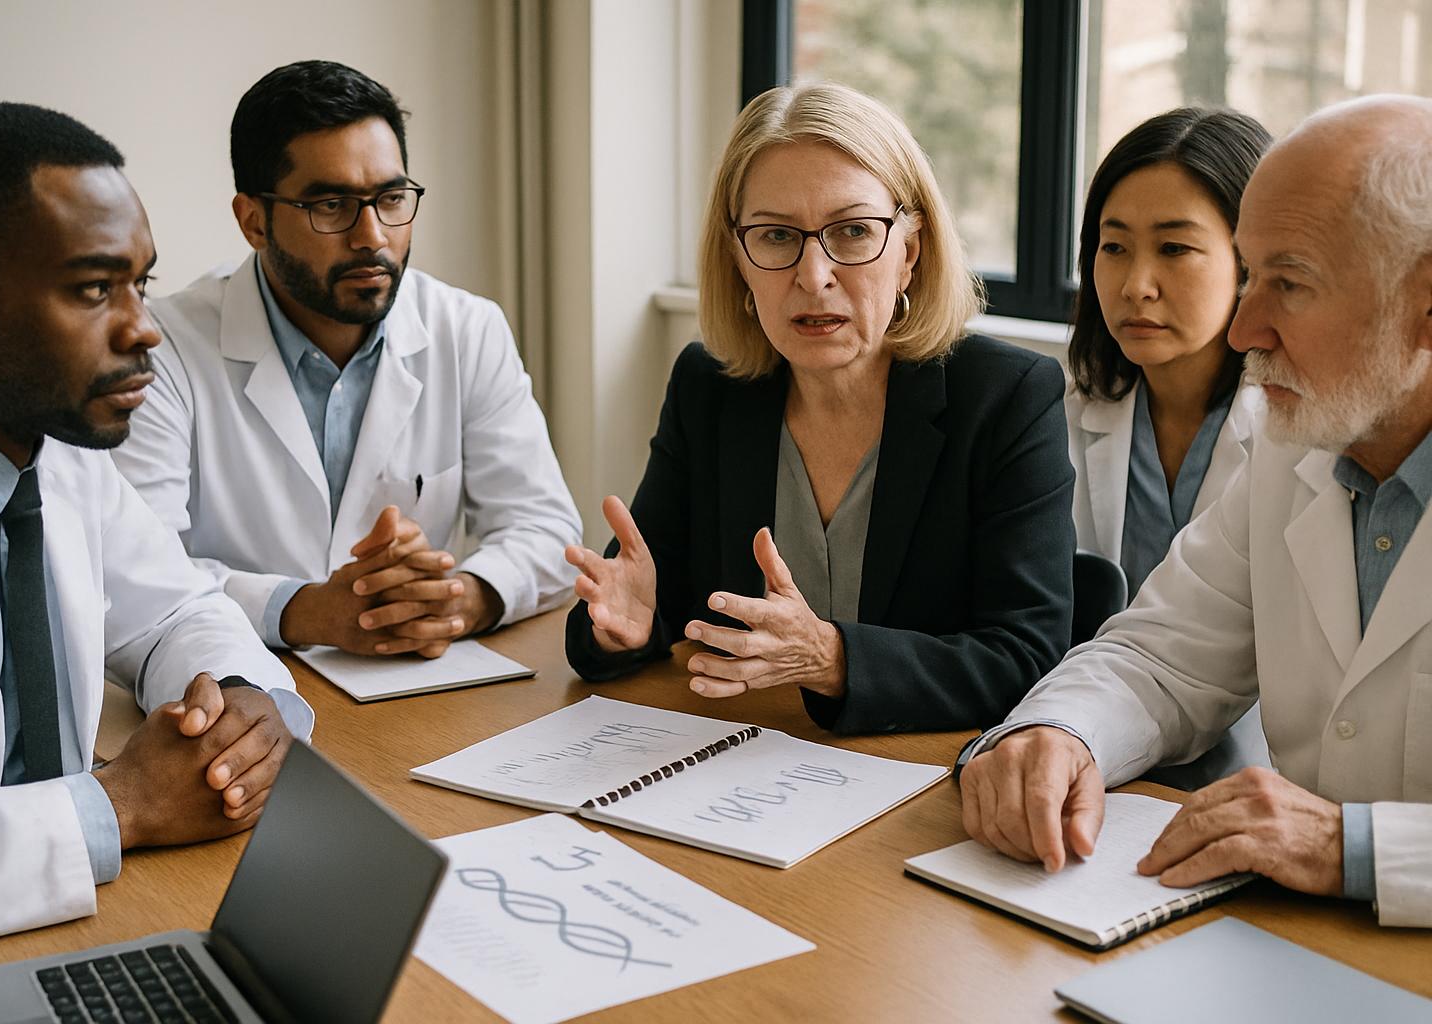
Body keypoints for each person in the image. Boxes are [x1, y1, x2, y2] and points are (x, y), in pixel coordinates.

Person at [960, 96, 1432, 929]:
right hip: (1294, 940)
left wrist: (1351, 846)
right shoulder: (1301, 451)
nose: (1245, 328)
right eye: (1248, 276)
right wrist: (1059, 733)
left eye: (1288, 282)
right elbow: (1162, 658)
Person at [0, 102, 313, 957]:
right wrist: (120, 805)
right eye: (94, 289)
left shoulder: (54, 443)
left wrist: (241, 704)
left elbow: (173, 610)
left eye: (141, 283)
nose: (143, 329)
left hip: (70, 926)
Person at [564, 83, 1076, 734]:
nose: (813, 276)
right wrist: (621, 630)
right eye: (777, 236)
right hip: (747, 769)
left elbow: (1026, 657)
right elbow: (642, 593)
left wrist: (832, 659)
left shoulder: (1006, 397)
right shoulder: (710, 386)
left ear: (910, 254)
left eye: (853, 232)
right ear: (739, 258)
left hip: (920, 782)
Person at [112, 61, 580, 657]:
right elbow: (138, 575)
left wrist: (458, 597)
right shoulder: (165, 349)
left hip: (415, 685)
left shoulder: (466, 328)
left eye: (390, 198)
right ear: (254, 220)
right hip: (234, 684)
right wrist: (303, 611)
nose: (372, 236)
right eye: (331, 205)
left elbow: (546, 529)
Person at [1065, 107, 1272, 788]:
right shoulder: (1058, 414)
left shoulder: (1299, 435)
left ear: (1252, 262)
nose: (1135, 286)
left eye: (1175, 248)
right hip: (1093, 750)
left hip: (1256, 780)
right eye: (1114, 246)